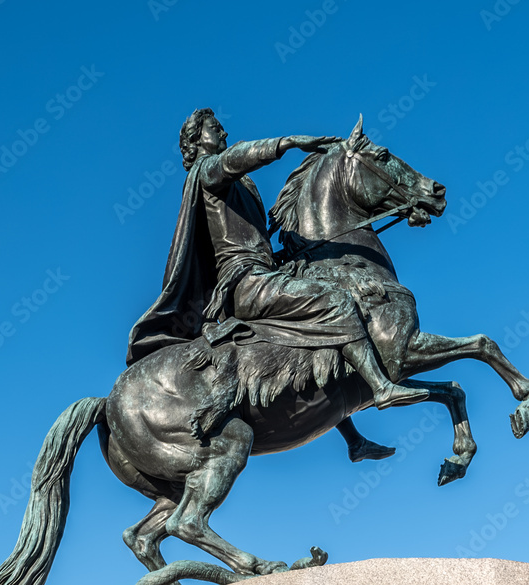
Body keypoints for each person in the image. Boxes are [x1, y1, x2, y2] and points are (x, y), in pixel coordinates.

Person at [126, 108, 426, 461]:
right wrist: (288, 142)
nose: (223, 132)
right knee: (335, 303)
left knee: (312, 337)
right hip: (247, 283)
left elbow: (250, 239)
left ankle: (353, 439)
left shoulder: (241, 187)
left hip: (261, 273)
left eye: (222, 127)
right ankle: (382, 388)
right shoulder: (206, 171)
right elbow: (234, 161)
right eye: (214, 129)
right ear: (195, 141)